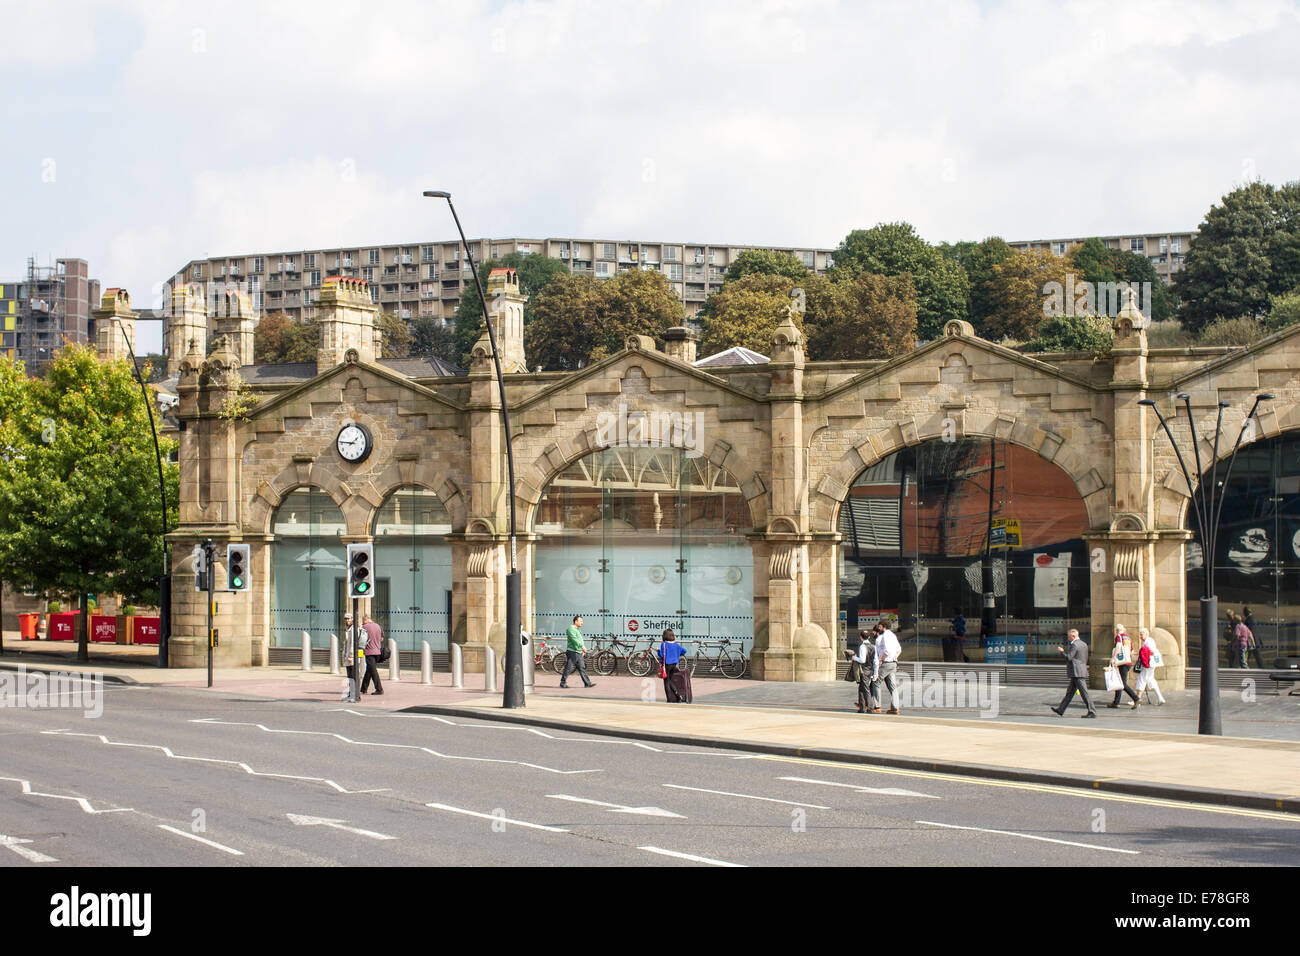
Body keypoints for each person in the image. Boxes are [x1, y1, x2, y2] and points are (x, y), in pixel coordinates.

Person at [1052, 628, 1096, 717]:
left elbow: (1069, 657)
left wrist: (1062, 652)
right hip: (1080, 670)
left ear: (1073, 636)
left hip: (1077, 672)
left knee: (1084, 692)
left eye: (1069, 637)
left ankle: (1092, 711)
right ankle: (1061, 709)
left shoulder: (1075, 645)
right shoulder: (1084, 644)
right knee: (1070, 692)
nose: (1068, 638)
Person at [871, 621, 903, 714]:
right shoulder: (893, 635)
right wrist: (895, 658)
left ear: (883, 627)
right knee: (892, 686)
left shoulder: (885, 636)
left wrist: (881, 660)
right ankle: (895, 708)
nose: (879, 628)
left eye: (880, 626)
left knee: (876, 682)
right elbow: (899, 650)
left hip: (886, 663)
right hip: (893, 663)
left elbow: (887, 651)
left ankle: (877, 706)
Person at [1107, 624, 1140, 708]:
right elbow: (1132, 651)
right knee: (1119, 681)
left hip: (1122, 663)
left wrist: (1114, 658)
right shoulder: (1127, 638)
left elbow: (1118, 646)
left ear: (1116, 631)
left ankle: (1135, 698)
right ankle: (1116, 702)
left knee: (1122, 683)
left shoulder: (1119, 637)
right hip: (1127, 662)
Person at [559, 615, 596, 689]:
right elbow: (575, 640)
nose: (582, 623)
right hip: (573, 652)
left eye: (582, 621)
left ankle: (587, 683)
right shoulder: (571, 629)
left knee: (582, 668)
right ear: (576, 621)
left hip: (578, 652)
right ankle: (563, 683)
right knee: (568, 668)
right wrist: (582, 647)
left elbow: (579, 640)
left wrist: (582, 648)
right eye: (580, 621)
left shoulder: (577, 629)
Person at [1133, 626, 1166, 705]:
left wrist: (1143, 655)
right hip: (1149, 664)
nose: (1140, 636)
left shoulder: (1149, 641)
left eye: (1142, 634)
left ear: (1146, 634)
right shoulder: (1147, 641)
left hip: (1148, 664)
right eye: (1140, 634)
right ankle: (1160, 698)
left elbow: (1152, 651)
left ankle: (1137, 699)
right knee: (1150, 680)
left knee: (1142, 679)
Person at [659, 629, 692, 703]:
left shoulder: (664, 644)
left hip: (667, 665)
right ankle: (678, 696)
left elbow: (661, 655)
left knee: (666, 682)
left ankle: (669, 699)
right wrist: (677, 654)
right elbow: (684, 651)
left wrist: (658, 651)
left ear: (664, 636)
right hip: (674, 665)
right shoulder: (676, 644)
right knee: (669, 680)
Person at [850, 628, 876, 713]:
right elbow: (875, 661)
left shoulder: (862, 646)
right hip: (870, 670)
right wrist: (875, 672)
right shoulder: (873, 647)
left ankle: (870, 708)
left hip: (864, 670)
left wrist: (854, 658)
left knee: (865, 689)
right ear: (868, 637)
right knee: (861, 688)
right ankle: (861, 707)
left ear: (861, 637)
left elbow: (862, 660)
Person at [359, 613, 384, 696]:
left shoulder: (364, 627)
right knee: (369, 670)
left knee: (373, 671)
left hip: (369, 651)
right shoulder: (378, 626)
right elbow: (382, 638)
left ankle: (379, 689)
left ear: (365, 619)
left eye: (363, 621)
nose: (363, 623)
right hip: (377, 651)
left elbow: (361, 640)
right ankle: (363, 688)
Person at [341, 612, 363, 700]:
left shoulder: (353, 630)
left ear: (352, 619)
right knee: (350, 676)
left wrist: (350, 656)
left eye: (348, 618)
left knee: (353, 676)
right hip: (350, 657)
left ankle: (354, 694)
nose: (347, 620)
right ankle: (352, 694)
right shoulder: (350, 629)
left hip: (352, 657)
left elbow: (352, 644)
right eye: (346, 619)